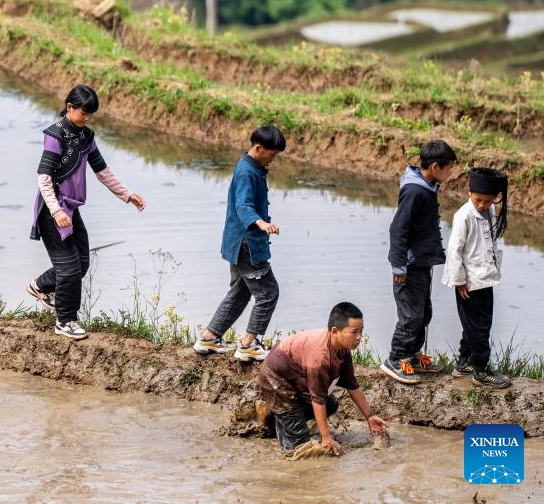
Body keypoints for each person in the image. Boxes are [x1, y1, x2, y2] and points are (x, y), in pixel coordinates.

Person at [27, 85, 146, 340]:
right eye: (84, 112)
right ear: (69, 107)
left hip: (71, 209)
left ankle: (41, 286)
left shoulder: (86, 137)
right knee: (69, 268)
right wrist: (56, 211)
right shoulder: (55, 135)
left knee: (81, 262)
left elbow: (102, 171)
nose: (88, 117)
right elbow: (44, 178)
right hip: (53, 211)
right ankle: (65, 321)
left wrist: (127, 194)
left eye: (91, 113)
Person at [193, 125, 286, 362]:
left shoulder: (249, 166)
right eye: (272, 155)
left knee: (240, 292)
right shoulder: (247, 172)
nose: (272, 160)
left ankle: (209, 338)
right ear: (258, 148)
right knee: (268, 293)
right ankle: (249, 344)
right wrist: (261, 223)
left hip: (237, 241)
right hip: (248, 243)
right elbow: (243, 205)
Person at [258, 302, 387, 455]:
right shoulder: (319, 358)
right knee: (299, 450)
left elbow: (352, 384)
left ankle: (279, 416)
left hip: (296, 376)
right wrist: (326, 438)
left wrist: (370, 416)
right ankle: (279, 413)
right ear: (335, 331)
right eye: (354, 332)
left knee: (331, 404)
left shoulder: (343, 349)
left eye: (361, 331)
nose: (359, 337)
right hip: (276, 378)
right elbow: (317, 400)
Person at [382, 139, 458, 384]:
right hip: (410, 266)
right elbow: (398, 229)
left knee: (424, 313)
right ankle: (394, 359)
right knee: (411, 316)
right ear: (435, 167)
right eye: (449, 168)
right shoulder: (415, 191)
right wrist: (399, 264)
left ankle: (411, 355)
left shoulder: (427, 186)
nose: (451, 173)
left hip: (421, 263)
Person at [442, 167, 512, 389]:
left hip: (484, 277)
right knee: (479, 326)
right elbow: (454, 250)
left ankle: (465, 362)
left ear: (494, 199)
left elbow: (489, 244)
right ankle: (481, 370)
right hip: (469, 282)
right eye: (478, 199)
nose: (482, 205)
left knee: (475, 324)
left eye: (488, 201)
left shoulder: (489, 213)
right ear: (468, 191)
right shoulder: (463, 215)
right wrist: (459, 280)